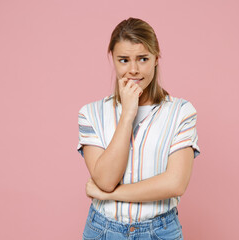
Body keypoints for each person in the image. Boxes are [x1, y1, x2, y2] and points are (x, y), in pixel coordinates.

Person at [77, 17, 200, 240]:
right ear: (113, 60)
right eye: (124, 60)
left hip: (160, 231)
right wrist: (127, 115)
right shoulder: (90, 114)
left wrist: (108, 195)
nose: (133, 70)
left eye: (143, 59)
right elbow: (105, 180)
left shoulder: (181, 112)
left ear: (156, 58)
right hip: (103, 231)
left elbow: (175, 183)